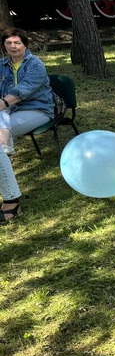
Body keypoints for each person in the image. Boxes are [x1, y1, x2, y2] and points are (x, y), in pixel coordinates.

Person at [0, 28, 55, 223]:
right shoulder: (2, 65)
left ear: (25, 45)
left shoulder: (35, 64)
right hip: (8, 113)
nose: (13, 47)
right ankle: (5, 150)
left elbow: (22, 91)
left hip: (36, 110)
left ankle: (12, 202)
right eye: (9, 43)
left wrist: (2, 104)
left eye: (17, 43)